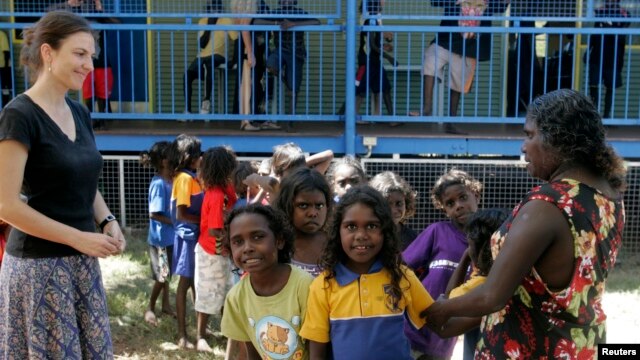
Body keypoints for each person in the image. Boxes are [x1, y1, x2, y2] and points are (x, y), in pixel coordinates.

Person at [424, 89, 627, 358]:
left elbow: (492, 295)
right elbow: (545, 292)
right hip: (580, 344)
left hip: (531, 349)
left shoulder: (548, 204)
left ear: (558, 139)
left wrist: (441, 309)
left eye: (529, 135)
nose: (523, 146)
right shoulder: (609, 197)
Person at [0, 11, 125, 358]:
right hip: (38, 269)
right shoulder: (19, 115)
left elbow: (83, 179)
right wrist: (79, 237)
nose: (89, 65)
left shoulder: (80, 113)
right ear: (48, 53)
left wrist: (107, 220)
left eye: (91, 56)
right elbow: (7, 206)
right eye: (80, 53)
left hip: (81, 263)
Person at [299, 186, 434, 359]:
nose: (361, 235)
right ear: (337, 231)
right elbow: (317, 351)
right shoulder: (324, 285)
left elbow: (434, 318)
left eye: (371, 226)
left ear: (385, 230)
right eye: (351, 226)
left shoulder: (401, 275)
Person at [402, 168, 482, 360]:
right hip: (413, 329)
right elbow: (402, 267)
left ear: (476, 195)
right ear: (444, 208)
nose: (458, 206)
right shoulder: (438, 231)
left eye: (463, 197)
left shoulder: (487, 239)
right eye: (450, 203)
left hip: (444, 337)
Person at [221, 204, 313, 359]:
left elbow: (318, 349)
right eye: (238, 241)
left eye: (257, 237)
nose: (247, 248)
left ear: (279, 241)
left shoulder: (304, 286)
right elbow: (253, 352)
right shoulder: (236, 298)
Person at [415, 0, 508, 134]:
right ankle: (427, 108)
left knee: (458, 82)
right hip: (446, 40)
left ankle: (451, 123)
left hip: (469, 46)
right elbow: (435, 2)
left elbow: (501, 6)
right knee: (430, 59)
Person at [439, 208, 508, 360]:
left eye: (470, 246)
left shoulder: (484, 285)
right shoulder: (507, 279)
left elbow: (445, 322)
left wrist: (464, 259)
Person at [48, 0, 120, 129]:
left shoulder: (92, 10)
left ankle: (103, 120)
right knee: (88, 91)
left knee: (103, 90)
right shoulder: (62, 9)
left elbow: (115, 23)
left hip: (101, 60)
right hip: (81, 60)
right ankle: (89, 120)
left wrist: (98, 6)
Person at [195, 146, 237, 352]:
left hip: (221, 252)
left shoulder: (224, 189)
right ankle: (200, 336)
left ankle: (224, 329)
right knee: (209, 293)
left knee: (225, 291)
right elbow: (214, 230)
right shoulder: (216, 194)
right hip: (211, 252)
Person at [255, 0, 320, 120]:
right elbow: (256, 21)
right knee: (270, 65)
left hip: (297, 53)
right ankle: (285, 81)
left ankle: (291, 120)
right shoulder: (276, 13)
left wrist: (293, 24)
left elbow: (316, 22)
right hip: (280, 50)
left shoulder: (299, 13)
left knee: (294, 91)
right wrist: (277, 23)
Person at [167, 134, 203, 349]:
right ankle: (182, 335)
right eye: (199, 154)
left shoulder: (192, 177)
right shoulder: (184, 179)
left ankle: (200, 330)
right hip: (187, 237)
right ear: (190, 157)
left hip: (195, 235)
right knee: (185, 283)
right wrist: (204, 220)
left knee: (196, 283)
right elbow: (181, 214)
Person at [140, 141, 175, 327]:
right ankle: (150, 307)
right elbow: (154, 213)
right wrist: (175, 222)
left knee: (167, 275)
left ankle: (166, 305)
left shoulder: (170, 180)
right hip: (161, 239)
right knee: (162, 276)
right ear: (163, 161)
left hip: (169, 237)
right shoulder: (159, 183)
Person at [274, 167, 332, 277]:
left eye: (319, 205)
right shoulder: (278, 245)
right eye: (303, 205)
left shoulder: (335, 243)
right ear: (287, 206)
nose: (312, 213)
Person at [183, 0, 238, 116]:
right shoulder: (203, 21)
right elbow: (201, 44)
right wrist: (209, 26)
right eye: (212, 8)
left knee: (209, 64)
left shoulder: (226, 20)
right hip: (202, 56)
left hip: (218, 55)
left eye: (217, 8)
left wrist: (233, 60)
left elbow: (236, 39)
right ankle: (187, 110)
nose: (214, 10)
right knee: (187, 75)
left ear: (221, 9)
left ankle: (206, 102)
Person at [585, 0, 629, 119]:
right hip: (597, 55)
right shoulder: (599, 12)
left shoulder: (624, 14)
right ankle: (595, 116)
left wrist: (607, 25)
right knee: (593, 84)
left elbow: (621, 30)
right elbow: (595, 33)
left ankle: (607, 116)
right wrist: (588, 50)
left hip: (613, 58)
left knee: (610, 87)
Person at [369, 171, 418, 250]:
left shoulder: (413, 238)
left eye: (399, 204)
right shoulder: (367, 234)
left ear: (406, 203)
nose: (393, 210)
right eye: (387, 204)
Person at [0, 30, 12, 108]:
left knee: (5, 88)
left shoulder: (1, 34)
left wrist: (6, 67)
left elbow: (6, 51)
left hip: (2, 66)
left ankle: (5, 106)